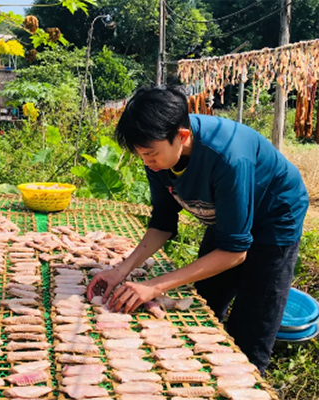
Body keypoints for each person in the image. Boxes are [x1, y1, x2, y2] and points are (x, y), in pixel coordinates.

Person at [87, 86, 308, 374]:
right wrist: (121, 270)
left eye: (151, 154)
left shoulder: (228, 157)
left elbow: (234, 253)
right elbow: (162, 224)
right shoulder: (158, 158)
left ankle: (247, 374)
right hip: (226, 216)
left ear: (182, 137)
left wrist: (154, 285)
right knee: (206, 299)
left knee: (253, 323)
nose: (146, 162)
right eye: (141, 154)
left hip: (275, 217)